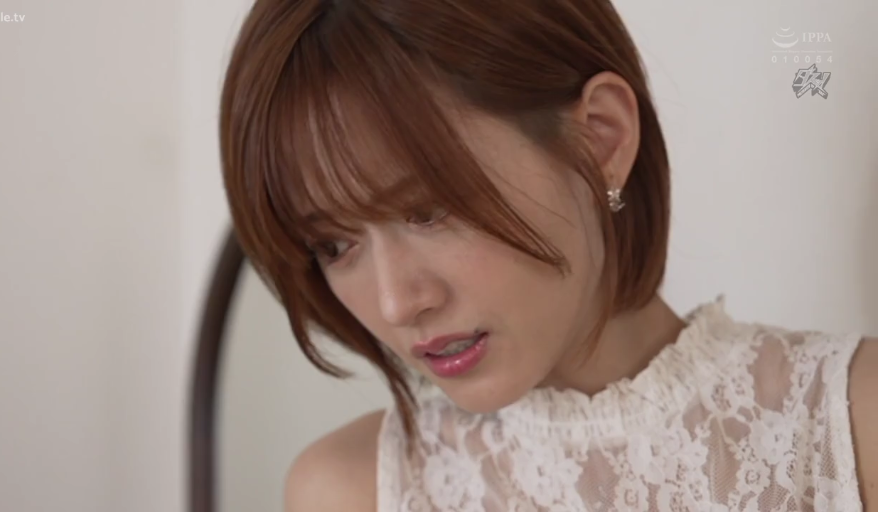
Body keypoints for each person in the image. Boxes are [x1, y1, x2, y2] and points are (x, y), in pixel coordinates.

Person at [218, 0, 878, 510]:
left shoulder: (851, 425)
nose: (396, 302)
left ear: (601, 139)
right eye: (334, 245)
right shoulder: (351, 491)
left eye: (429, 209)